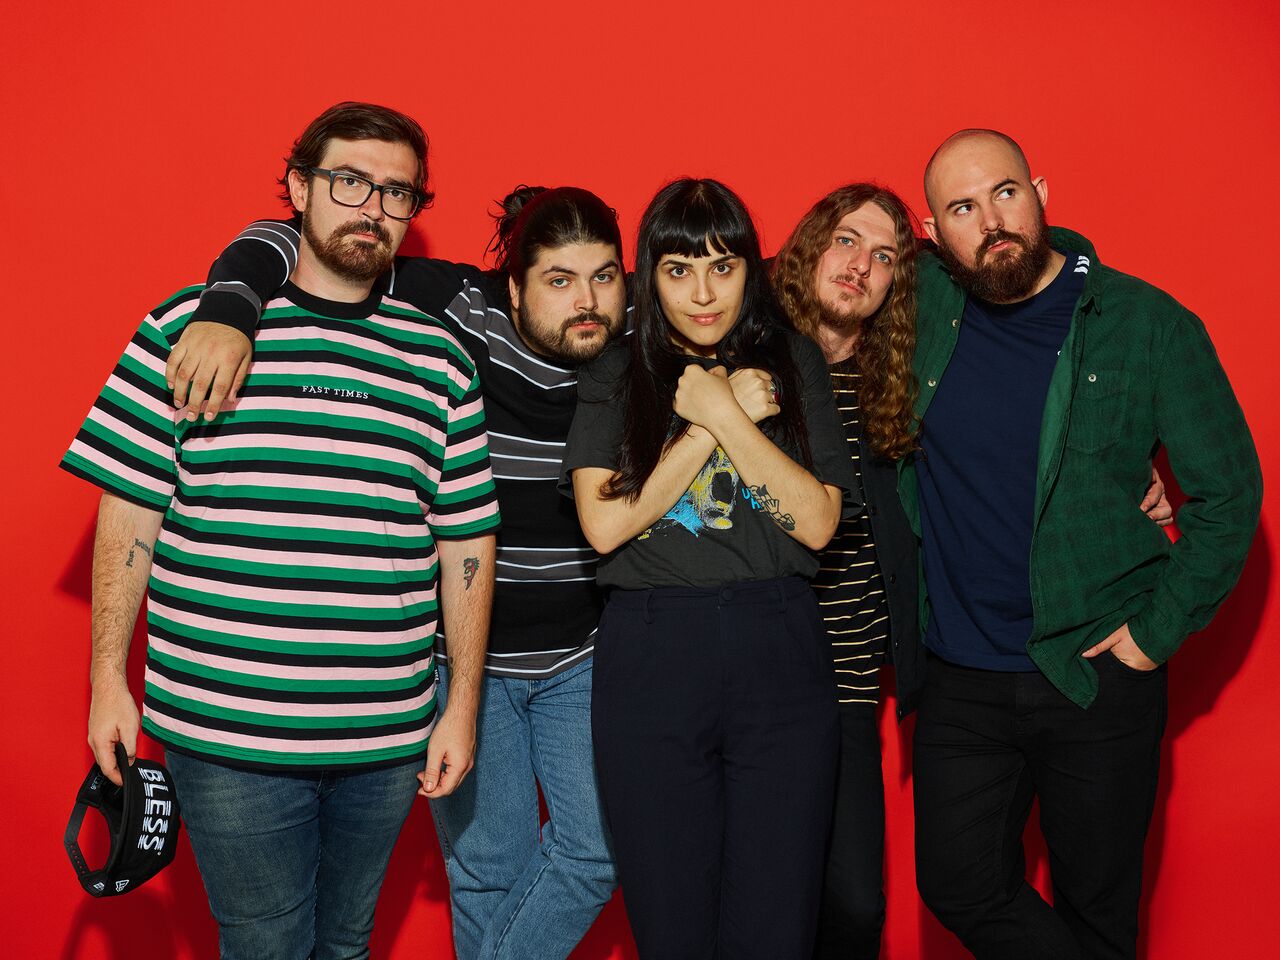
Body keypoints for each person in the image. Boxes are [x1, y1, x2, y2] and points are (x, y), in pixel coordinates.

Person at [60, 101, 501, 959]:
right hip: (228, 730)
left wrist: (463, 709)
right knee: (266, 946)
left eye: (397, 193)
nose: (373, 208)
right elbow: (129, 512)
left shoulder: (440, 359)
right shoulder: (188, 329)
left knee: (346, 943)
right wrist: (106, 678)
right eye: (349, 181)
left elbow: (466, 543)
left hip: (387, 733)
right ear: (298, 187)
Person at [159, 187, 626, 958]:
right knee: (487, 868)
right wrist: (232, 302)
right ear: (514, 287)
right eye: (559, 279)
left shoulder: (633, 330)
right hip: (466, 657)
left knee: (596, 850)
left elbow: (733, 277)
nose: (587, 300)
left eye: (604, 277)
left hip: (579, 652)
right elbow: (300, 235)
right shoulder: (459, 307)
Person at [906, 129, 1262, 959]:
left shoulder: (1147, 324)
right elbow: (804, 279)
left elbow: (1229, 494)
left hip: (1096, 672)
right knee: (959, 884)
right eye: (962, 208)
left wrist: (1152, 636)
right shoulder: (919, 313)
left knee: (1098, 910)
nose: (990, 221)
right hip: (961, 673)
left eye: (1004, 193)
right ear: (932, 232)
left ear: (1040, 193)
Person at [562, 177, 855, 958]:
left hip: (779, 645)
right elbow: (605, 525)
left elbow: (818, 523)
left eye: (723, 267)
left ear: (750, 271)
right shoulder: (616, 372)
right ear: (649, 276)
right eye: (679, 269)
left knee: (777, 927)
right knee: (671, 926)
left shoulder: (792, 360)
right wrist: (705, 426)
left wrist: (728, 413)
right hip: (652, 650)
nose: (702, 293)